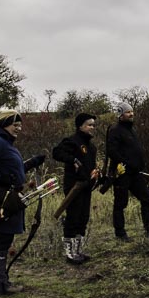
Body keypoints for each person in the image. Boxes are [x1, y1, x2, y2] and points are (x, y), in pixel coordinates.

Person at [0, 109, 45, 295]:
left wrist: (32, 162)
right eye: (15, 125)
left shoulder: (6, 143)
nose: (19, 128)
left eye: (20, 125)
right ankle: (1, 284)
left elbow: (13, 170)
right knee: (3, 238)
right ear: (3, 125)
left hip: (7, 196)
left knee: (2, 238)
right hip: (2, 198)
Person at [52, 113, 99, 264]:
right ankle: (70, 254)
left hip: (87, 187)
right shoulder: (71, 141)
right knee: (73, 217)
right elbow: (56, 153)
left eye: (93, 125)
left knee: (83, 218)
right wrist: (72, 159)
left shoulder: (91, 147)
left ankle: (78, 251)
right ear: (80, 126)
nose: (92, 127)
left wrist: (95, 173)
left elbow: (90, 165)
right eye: (89, 124)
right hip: (74, 187)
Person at [106, 102, 149, 241]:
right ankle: (120, 233)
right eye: (127, 112)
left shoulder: (131, 129)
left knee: (146, 198)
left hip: (135, 173)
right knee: (121, 203)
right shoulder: (115, 130)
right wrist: (125, 164)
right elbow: (112, 151)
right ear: (120, 115)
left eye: (132, 111)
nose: (131, 114)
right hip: (122, 173)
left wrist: (139, 164)